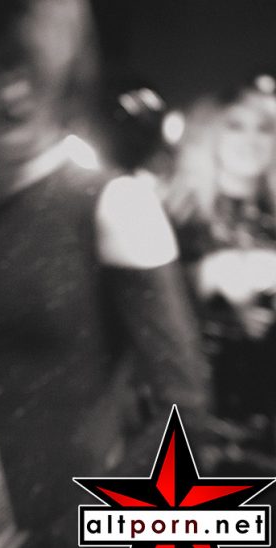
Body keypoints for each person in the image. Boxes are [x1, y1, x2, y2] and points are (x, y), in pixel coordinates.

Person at [0, 0, 215, 546]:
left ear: (64, 78)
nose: (14, 93)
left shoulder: (114, 204)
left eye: (32, 69)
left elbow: (184, 410)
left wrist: (79, 527)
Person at [165, 84, 276, 446]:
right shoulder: (179, 214)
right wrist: (214, 281)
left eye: (264, 128)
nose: (251, 140)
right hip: (198, 413)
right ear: (209, 134)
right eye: (235, 126)